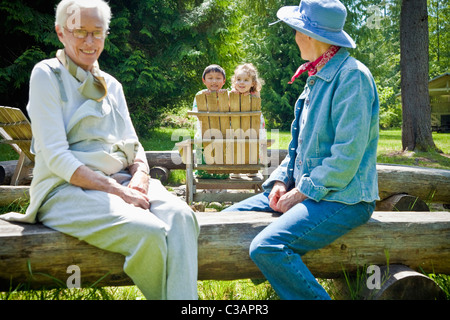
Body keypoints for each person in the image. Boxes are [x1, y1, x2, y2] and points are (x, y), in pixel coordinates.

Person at [0, 0, 199, 300]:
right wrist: (120, 193)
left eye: (97, 32)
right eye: (80, 31)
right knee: (149, 232)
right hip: (63, 189)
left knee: (183, 217)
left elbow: (134, 144)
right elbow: (55, 157)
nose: (90, 41)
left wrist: (141, 175)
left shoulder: (112, 85)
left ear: (106, 34)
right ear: (60, 33)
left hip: (119, 180)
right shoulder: (47, 75)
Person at [222, 0, 380, 300]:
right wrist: (282, 181)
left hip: (345, 199)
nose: (294, 38)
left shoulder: (352, 77)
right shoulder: (317, 75)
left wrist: (301, 192)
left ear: (311, 36)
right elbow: (298, 148)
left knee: (268, 246)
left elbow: (346, 156)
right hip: (313, 190)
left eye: (297, 31)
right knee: (224, 220)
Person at [229, 63, 266, 179]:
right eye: (238, 79)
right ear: (234, 81)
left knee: (253, 144)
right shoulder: (232, 94)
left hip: (252, 123)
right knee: (235, 144)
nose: (241, 83)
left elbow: (255, 99)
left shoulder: (254, 94)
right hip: (236, 123)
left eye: (246, 80)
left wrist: (246, 95)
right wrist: (232, 96)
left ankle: (252, 168)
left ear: (253, 83)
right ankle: (236, 169)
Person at [192, 64, 229, 179]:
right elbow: (196, 113)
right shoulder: (200, 95)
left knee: (222, 149)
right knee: (202, 144)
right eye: (210, 78)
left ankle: (222, 173)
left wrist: (222, 98)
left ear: (223, 81)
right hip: (204, 130)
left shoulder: (226, 95)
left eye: (218, 78)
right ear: (204, 80)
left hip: (223, 130)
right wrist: (205, 99)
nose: (214, 81)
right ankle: (203, 172)